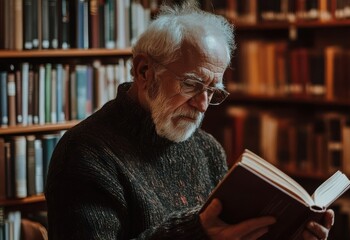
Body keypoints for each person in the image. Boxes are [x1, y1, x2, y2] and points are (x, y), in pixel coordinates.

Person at [45, 1, 335, 239]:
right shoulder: (85, 155)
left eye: (212, 91)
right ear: (144, 71)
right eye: (192, 84)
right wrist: (195, 232)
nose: (203, 105)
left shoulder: (207, 149)